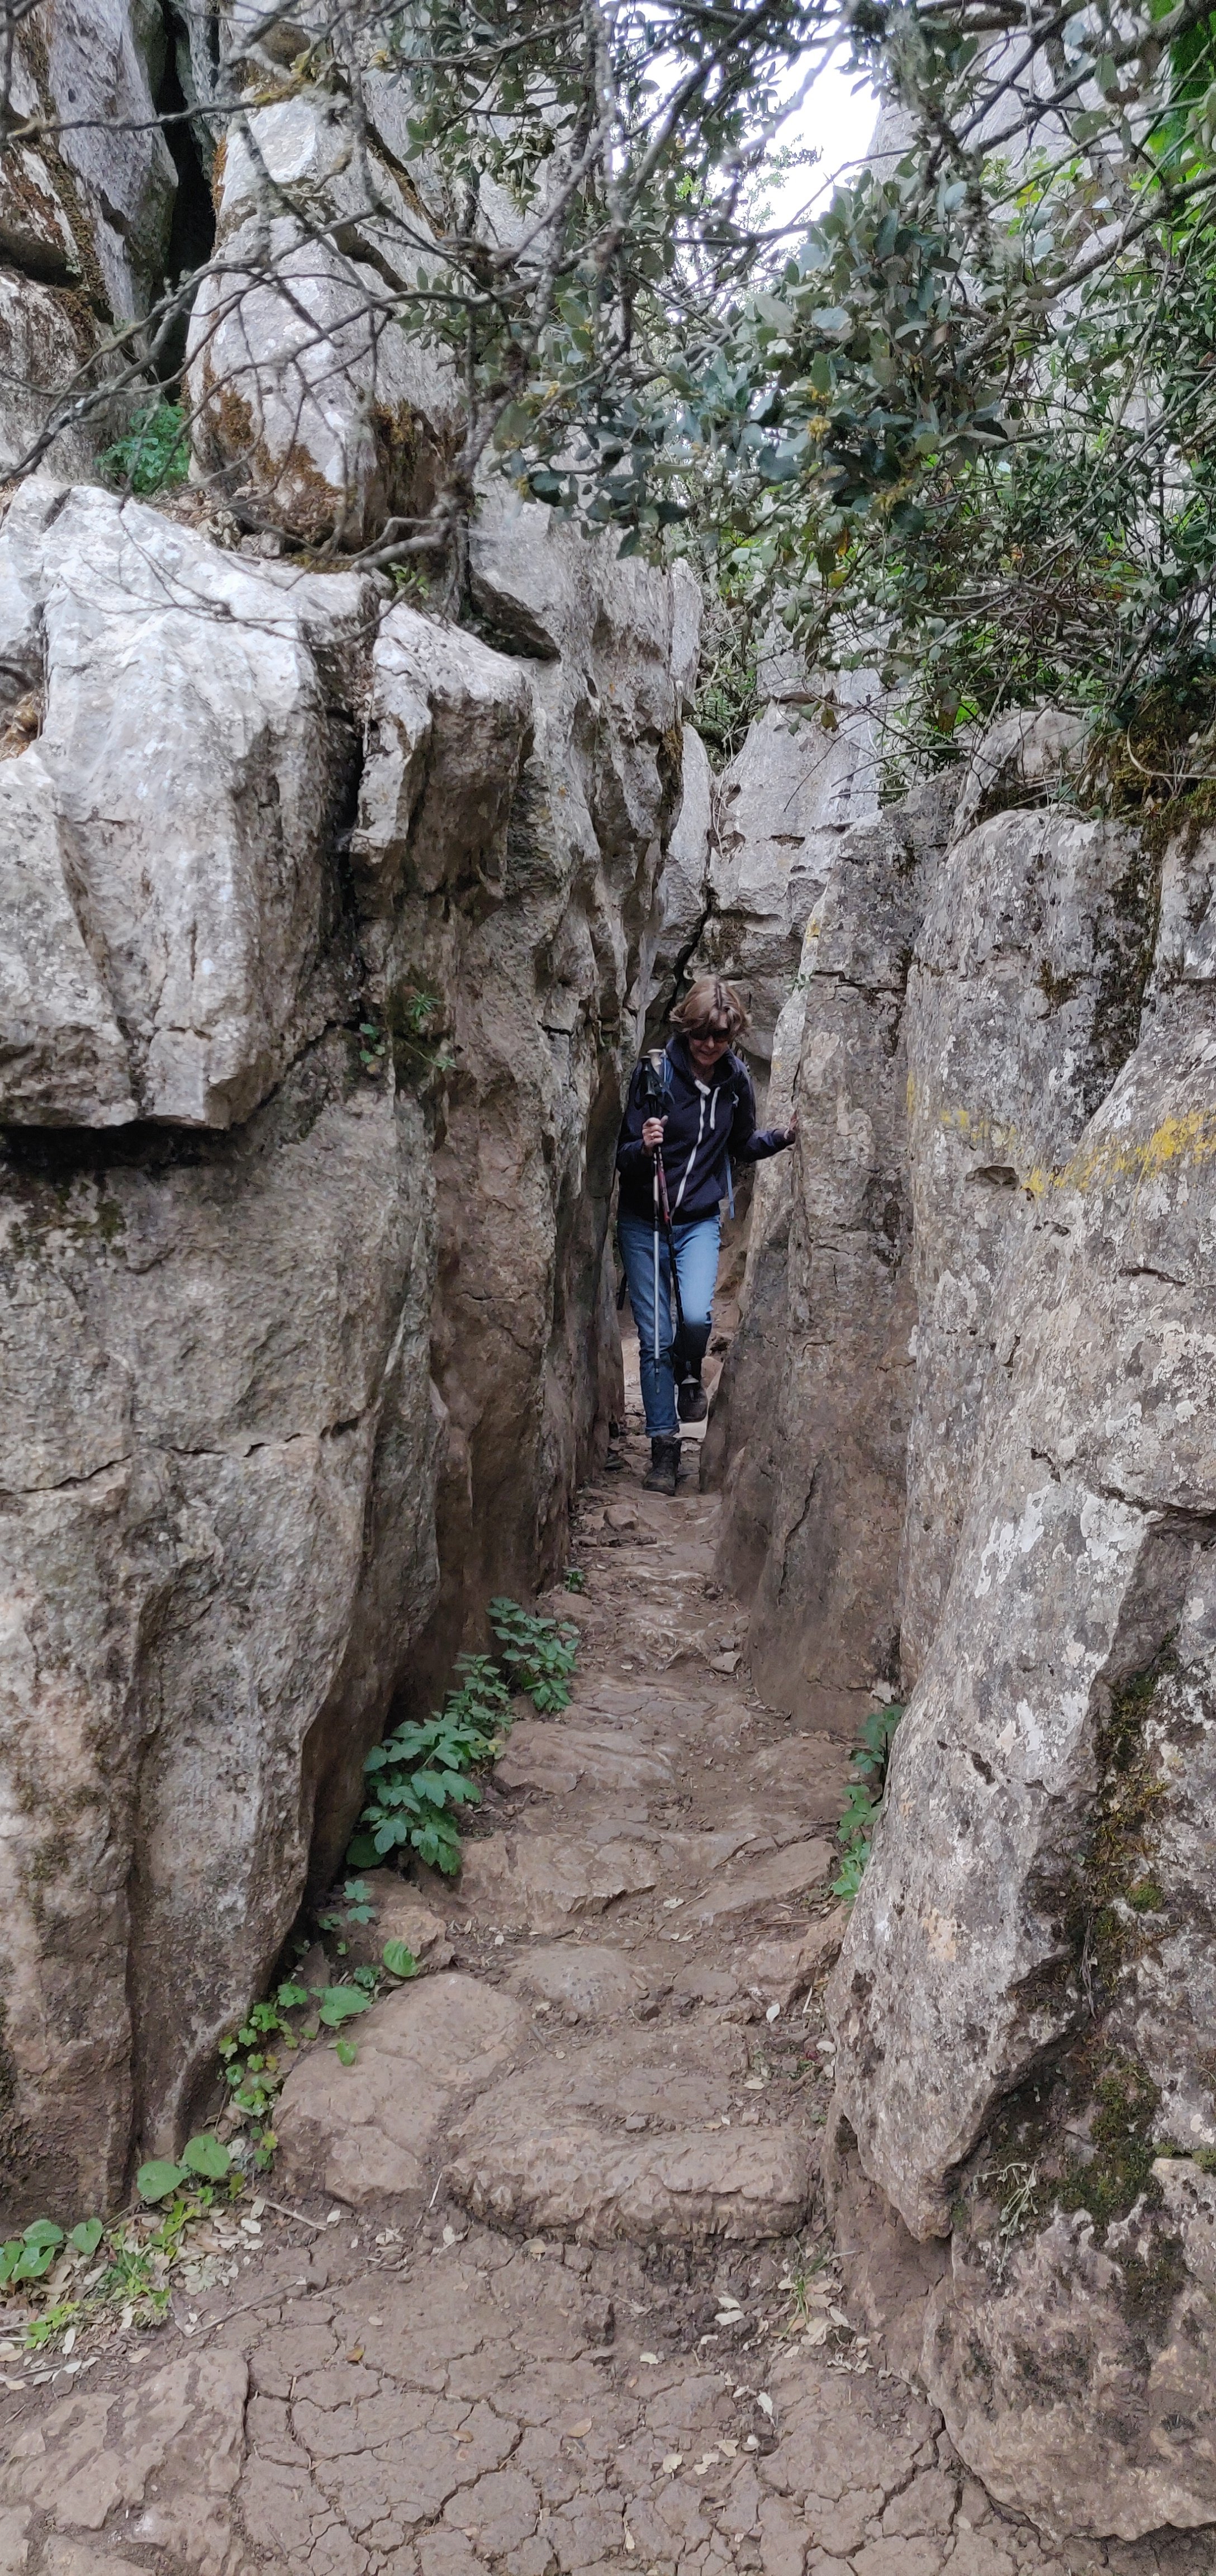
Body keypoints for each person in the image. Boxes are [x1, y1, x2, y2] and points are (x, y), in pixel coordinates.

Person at [615, 976, 797, 1495]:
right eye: (702, 1034)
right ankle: (664, 1448)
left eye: (721, 1036)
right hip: (644, 1220)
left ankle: (690, 1370)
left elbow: (741, 1145)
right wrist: (643, 1146)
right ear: (686, 1028)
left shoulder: (735, 1081)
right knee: (655, 1339)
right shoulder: (654, 1073)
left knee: (695, 1317)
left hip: (697, 1218)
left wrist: (783, 1137)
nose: (710, 1045)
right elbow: (621, 1156)